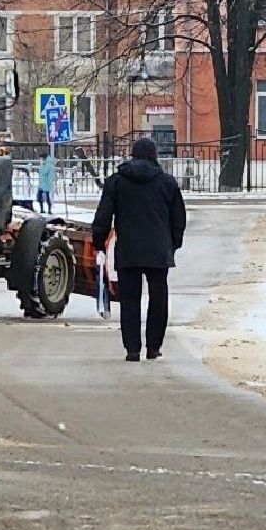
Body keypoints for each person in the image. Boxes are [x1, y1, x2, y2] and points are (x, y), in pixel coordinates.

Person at [91, 137, 186, 362]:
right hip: (159, 250)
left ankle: (132, 349)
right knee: (158, 299)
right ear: (155, 156)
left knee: (130, 299)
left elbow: (103, 215)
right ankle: (154, 347)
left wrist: (99, 242)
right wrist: (173, 244)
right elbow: (178, 218)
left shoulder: (116, 182)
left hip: (128, 249)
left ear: (132, 155)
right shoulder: (167, 183)